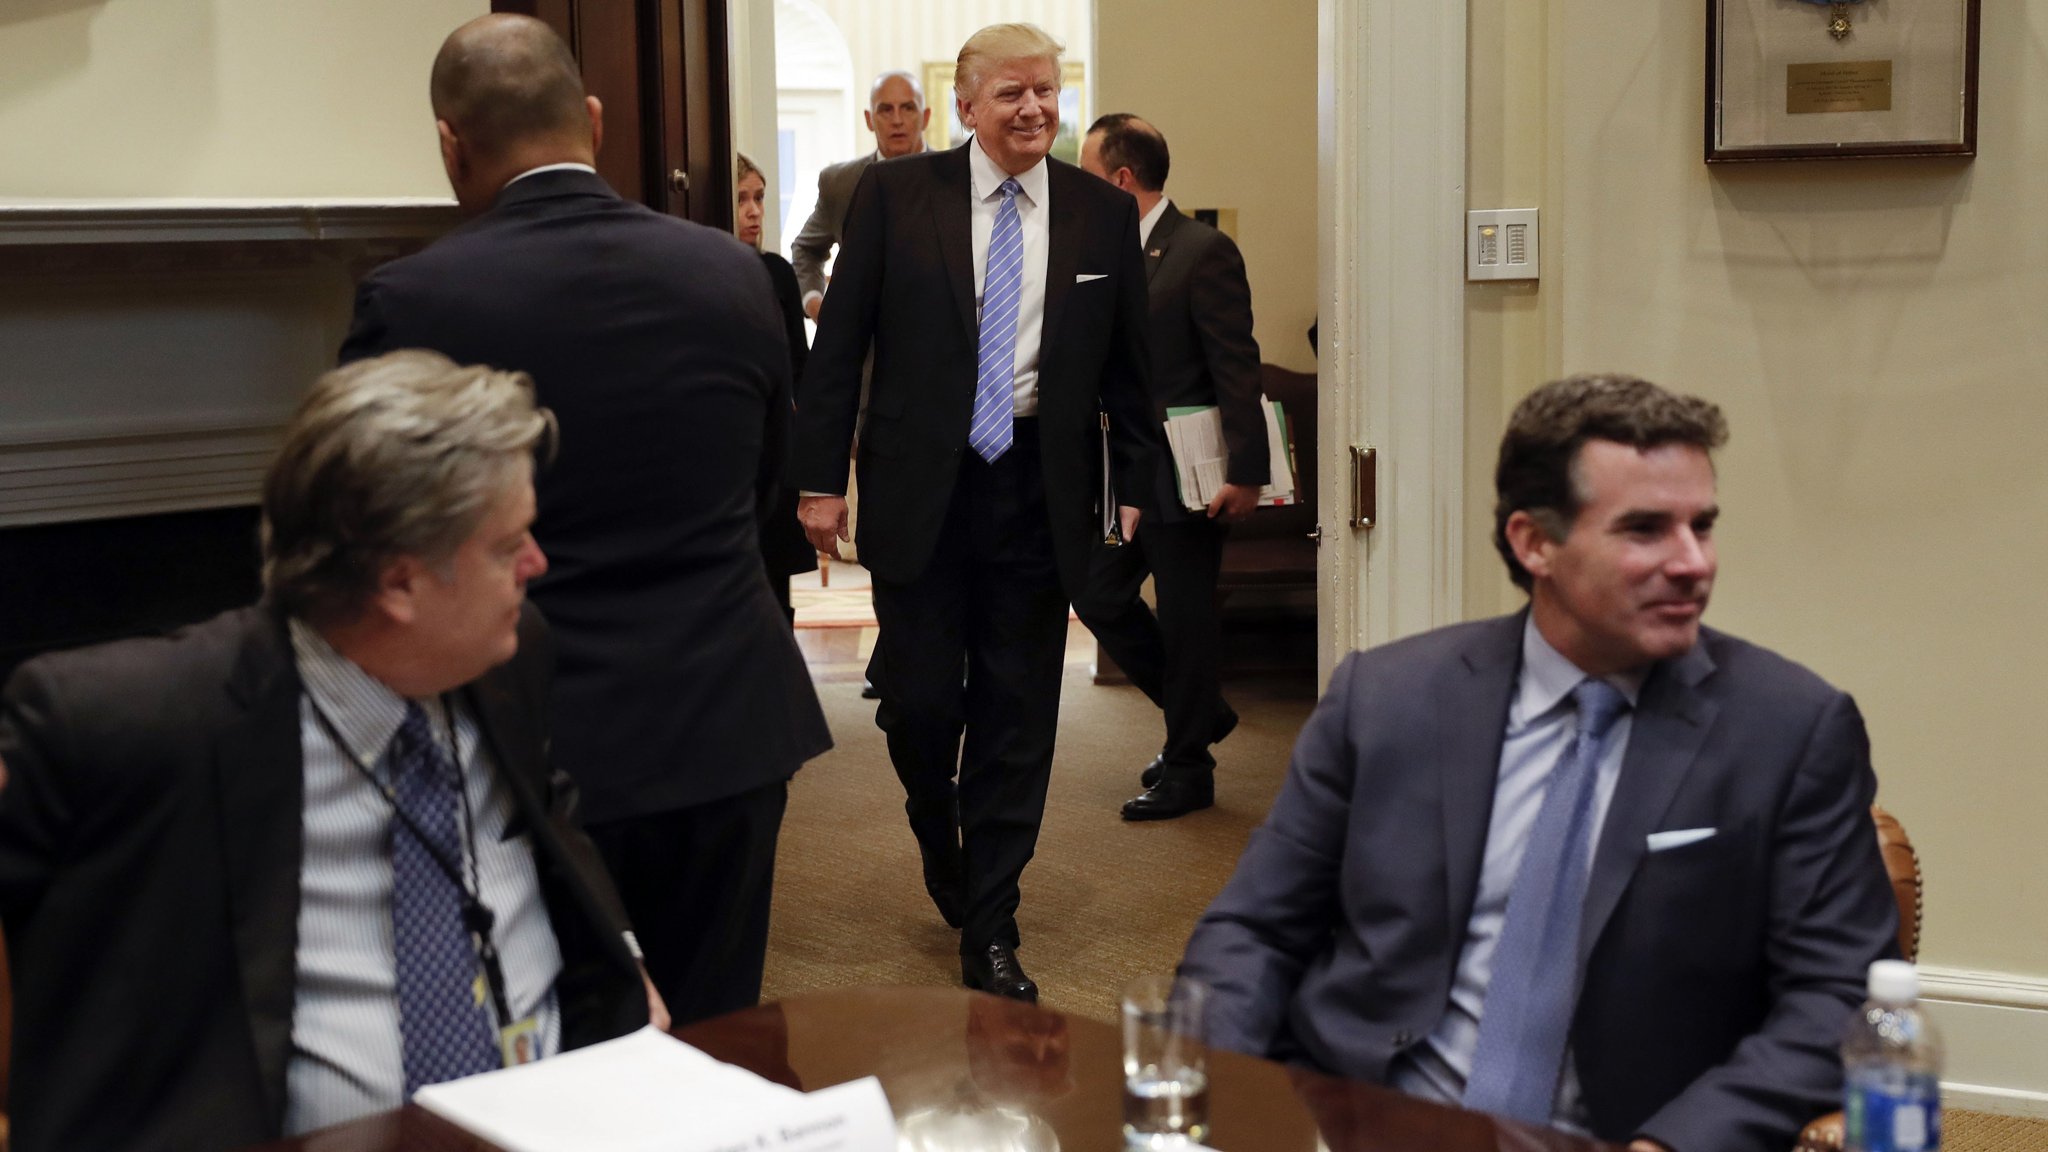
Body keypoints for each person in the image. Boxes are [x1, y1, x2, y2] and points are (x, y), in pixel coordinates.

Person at [1178, 374, 1900, 1152]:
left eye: (1702, 526)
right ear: (1534, 543)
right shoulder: (1385, 699)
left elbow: (1839, 997)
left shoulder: (1789, 729)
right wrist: (1234, 1099)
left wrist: (1671, 1145)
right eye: (1645, 530)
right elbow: (1254, 930)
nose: (1693, 563)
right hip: (1360, 1120)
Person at [0, 352, 662, 1152]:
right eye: (507, 545)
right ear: (399, 583)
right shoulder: (133, 724)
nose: (537, 565)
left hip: (566, 1121)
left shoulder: (506, 654)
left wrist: (622, 956)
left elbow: (546, 813)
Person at [339, 14, 830, 1026]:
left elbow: (377, 534)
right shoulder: (738, 275)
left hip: (529, 740)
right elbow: (764, 490)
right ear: (595, 122)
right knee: (714, 1031)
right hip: (727, 720)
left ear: (450, 144)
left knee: (557, 1048)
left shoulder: (411, 300)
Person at [792, 23, 1158, 1004]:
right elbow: (840, 348)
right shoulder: (893, 198)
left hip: (1039, 488)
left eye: (1045, 90)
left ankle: (992, 922)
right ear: (964, 106)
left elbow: (1131, 365)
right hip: (923, 485)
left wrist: (1135, 483)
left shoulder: (1099, 212)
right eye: (1011, 94)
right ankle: (936, 825)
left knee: (1017, 709)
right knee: (920, 703)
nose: (1033, 108)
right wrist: (818, 479)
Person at [1073, 113, 1267, 822]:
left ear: (1122, 180)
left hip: (1187, 472)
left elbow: (1235, 364)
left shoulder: (1201, 251)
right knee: (1097, 594)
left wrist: (1246, 471)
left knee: (1186, 621)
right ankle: (1202, 714)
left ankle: (1189, 769)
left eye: (1088, 176)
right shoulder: (1106, 252)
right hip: (1123, 470)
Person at [736, 150, 819, 625]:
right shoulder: (705, 270)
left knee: (776, 579)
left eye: (760, 198)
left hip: (776, 439)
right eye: (741, 199)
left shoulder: (777, 272)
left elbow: (799, 365)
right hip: (733, 437)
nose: (753, 211)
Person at [789, 69, 933, 321]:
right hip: (864, 338)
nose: (897, 120)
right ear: (869, 119)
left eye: (908, 108)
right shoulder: (840, 183)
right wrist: (814, 303)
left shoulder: (954, 178)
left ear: (925, 117)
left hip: (937, 334)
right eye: (885, 110)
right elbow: (806, 249)